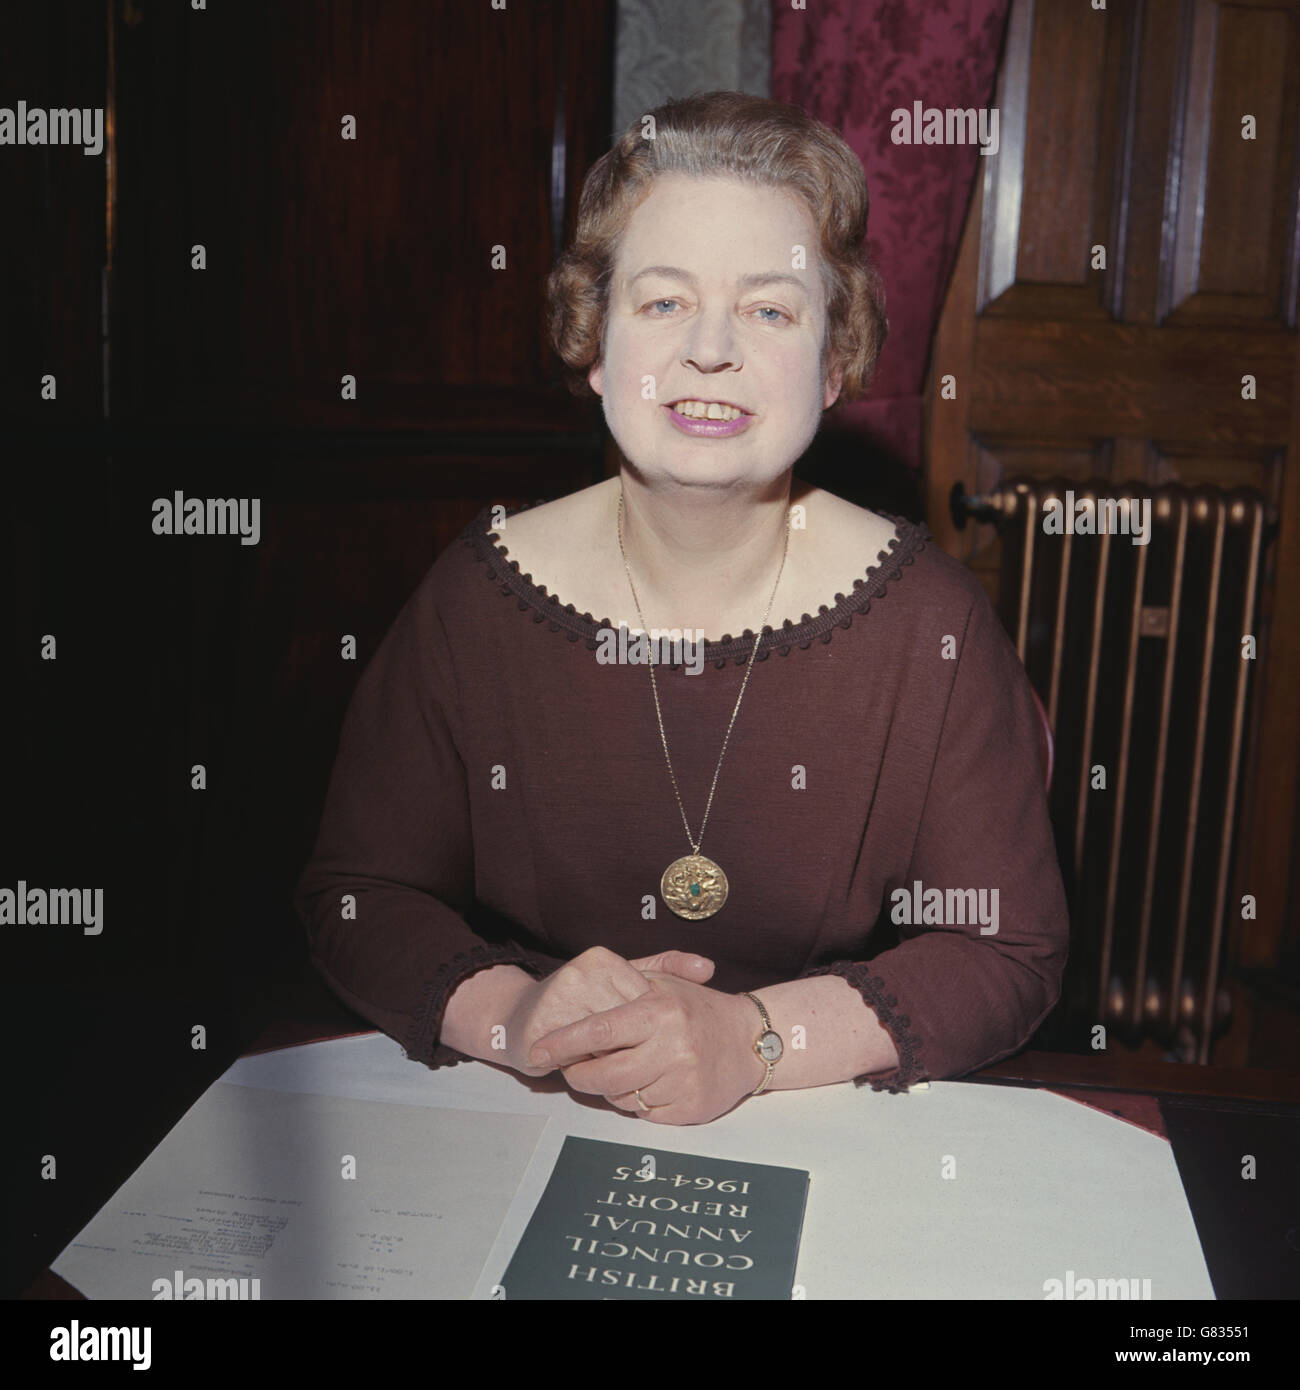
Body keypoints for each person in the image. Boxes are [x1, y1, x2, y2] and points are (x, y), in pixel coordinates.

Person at [293, 91, 1068, 1126]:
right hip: (530, 1107)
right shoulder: (473, 594)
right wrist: (521, 1017)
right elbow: (358, 897)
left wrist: (752, 1039)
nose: (711, 349)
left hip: (823, 1106)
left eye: (769, 308)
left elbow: (1008, 948)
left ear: (833, 361)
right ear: (596, 342)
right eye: (662, 302)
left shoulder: (931, 618)